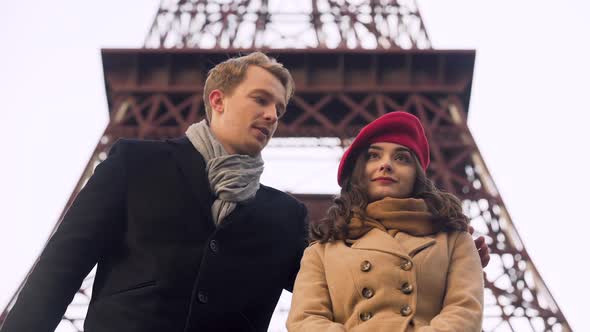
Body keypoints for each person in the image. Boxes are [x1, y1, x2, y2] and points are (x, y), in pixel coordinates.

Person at [1, 53, 488, 332]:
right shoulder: (134, 163)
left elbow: (339, 285)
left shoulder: (283, 215)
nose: (273, 115)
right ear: (217, 100)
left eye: (279, 107)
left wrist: (435, 260)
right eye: (261, 99)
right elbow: (58, 271)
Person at [287, 112, 485, 331]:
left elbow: (465, 311)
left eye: (401, 158)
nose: (386, 165)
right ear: (358, 172)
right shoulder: (321, 252)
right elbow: (305, 320)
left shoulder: (454, 240)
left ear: (416, 175)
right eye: (373, 156)